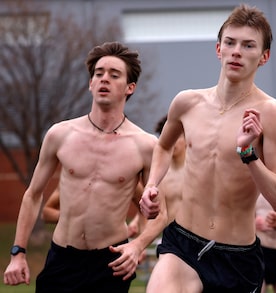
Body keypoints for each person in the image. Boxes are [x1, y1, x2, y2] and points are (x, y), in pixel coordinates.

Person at [139, 4, 276, 292]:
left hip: (237, 256)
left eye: (248, 45)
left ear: (264, 57)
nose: (236, 51)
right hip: (183, 244)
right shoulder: (187, 102)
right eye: (230, 43)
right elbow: (163, 147)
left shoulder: (272, 113)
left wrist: (249, 155)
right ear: (218, 49)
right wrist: (151, 185)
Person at [3, 41, 159, 292]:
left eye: (114, 74)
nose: (104, 79)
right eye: (98, 74)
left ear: (130, 87)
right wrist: (18, 252)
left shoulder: (145, 145)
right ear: (90, 84)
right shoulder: (60, 134)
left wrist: (138, 244)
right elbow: (33, 195)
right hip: (62, 258)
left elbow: (164, 209)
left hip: (110, 262)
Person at [41, 183, 146, 238]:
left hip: (110, 252)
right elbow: (46, 213)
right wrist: (72, 217)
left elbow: (146, 209)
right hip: (70, 251)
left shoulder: (126, 178)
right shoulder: (72, 178)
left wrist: (138, 245)